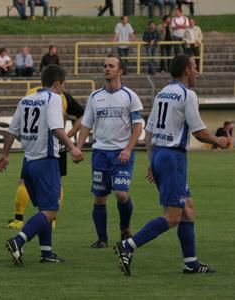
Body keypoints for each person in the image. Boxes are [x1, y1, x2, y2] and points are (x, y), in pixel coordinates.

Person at [114, 54, 228, 276]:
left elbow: (149, 132)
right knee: (174, 216)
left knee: (188, 209)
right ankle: (128, 246)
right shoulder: (188, 94)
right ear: (186, 70)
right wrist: (219, 140)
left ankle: (191, 262)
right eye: (194, 67)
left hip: (161, 155)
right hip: (172, 158)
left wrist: (151, 160)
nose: (197, 72)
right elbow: (199, 132)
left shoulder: (162, 93)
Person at [0, 65, 83, 266]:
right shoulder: (53, 98)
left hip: (28, 162)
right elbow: (56, 128)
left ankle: (46, 252)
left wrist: (4, 154)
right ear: (56, 83)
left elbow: (12, 130)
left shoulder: (26, 98)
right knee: (51, 211)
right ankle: (18, 241)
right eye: (63, 85)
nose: (63, 88)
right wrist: (72, 147)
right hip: (46, 161)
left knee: (44, 209)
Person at [76, 54, 144, 249]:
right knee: (99, 196)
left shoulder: (130, 96)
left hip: (121, 154)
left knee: (122, 194)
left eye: (111, 66)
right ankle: (102, 238)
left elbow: (138, 127)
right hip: (100, 154)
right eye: (104, 65)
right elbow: (86, 124)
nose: (106, 68)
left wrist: (128, 148)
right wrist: (78, 148)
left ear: (120, 71)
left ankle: (125, 228)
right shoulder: (94, 97)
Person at [7, 88, 84, 229]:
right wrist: (69, 135)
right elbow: (82, 115)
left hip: (32, 147)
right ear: (57, 82)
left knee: (23, 181)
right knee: (56, 181)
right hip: (52, 147)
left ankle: (18, 219)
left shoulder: (31, 93)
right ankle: (51, 218)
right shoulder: (62, 97)